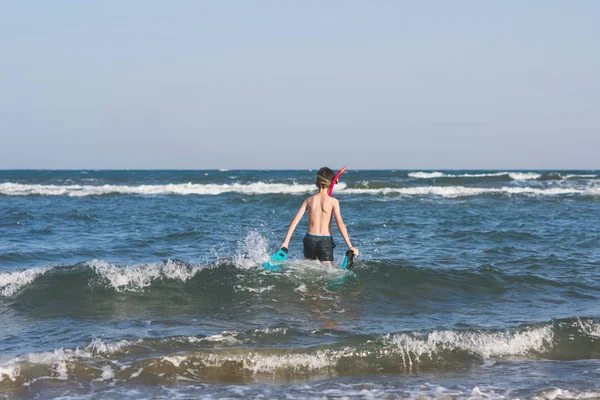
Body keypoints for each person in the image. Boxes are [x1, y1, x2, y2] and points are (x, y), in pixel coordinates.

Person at [280, 167, 359, 264]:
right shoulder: (333, 202)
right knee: (328, 272)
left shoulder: (309, 200)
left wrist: (285, 243)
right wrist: (350, 246)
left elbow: (294, 222)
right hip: (325, 242)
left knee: (308, 269)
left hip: (310, 240)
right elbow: (340, 224)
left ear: (317, 183)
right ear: (331, 183)